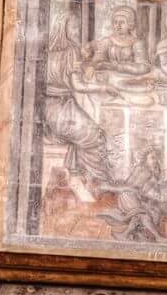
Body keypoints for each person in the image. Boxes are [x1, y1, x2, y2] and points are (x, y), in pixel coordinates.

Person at [41, 15, 113, 184]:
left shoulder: (47, 53)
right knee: (97, 136)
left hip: (47, 111)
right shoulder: (71, 52)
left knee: (85, 128)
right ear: (63, 30)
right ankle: (96, 181)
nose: (76, 32)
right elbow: (78, 86)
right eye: (72, 28)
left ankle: (76, 173)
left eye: (77, 28)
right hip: (62, 111)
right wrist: (104, 88)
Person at [83, 6, 150, 77]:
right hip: (109, 78)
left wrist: (115, 67)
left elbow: (144, 67)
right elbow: (97, 60)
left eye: (122, 22)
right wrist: (92, 66)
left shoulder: (137, 43)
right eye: (115, 22)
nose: (118, 25)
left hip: (131, 78)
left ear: (130, 24)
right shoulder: (107, 41)